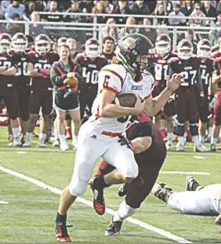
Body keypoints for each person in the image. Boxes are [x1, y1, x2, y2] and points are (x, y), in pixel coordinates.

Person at [54, 33, 182, 242]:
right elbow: (105, 109)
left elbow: (150, 110)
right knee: (77, 186)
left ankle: (99, 184)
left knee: (131, 172)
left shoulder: (146, 78)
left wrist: (168, 90)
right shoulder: (113, 72)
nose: (145, 60)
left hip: (115, 136)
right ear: (128, 55)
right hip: (94, 134)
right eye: (141, 56)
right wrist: (132, 110)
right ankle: (60, 219)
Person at [23, 34, 59, 147]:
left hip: (49, 89)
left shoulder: (54, 57)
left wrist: (41, 72)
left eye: (44, 44)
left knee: (46, 115)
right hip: (35, 89)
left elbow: (56, 71)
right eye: (40, 44)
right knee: (32, 115)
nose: (42, 47)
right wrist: (44, 72)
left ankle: (42, 139)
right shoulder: (31, 56)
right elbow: (30, 72)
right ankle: (28, 138)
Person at [170, 39, 206, 152]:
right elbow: (170, 79)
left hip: (191, 91)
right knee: (180, 118)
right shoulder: (174, 62)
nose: (185, 53)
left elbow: (198, 78)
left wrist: (201, 92)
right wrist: (170, 93)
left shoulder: (195, 61)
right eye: (183, 50)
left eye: (187, 50)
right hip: (179, 92)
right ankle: (180, 143)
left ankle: (197, 143)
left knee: (193, 118)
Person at [50, 45, 82, 151]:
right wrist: (65, 77)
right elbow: (54, 80)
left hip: (72, 94)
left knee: (76, 119)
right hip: (60, 94)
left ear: (69, 53)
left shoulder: (75, 65)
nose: (64, 53)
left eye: (66, 51)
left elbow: (81, 79)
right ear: (58, 52)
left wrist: (75, 77)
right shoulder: (55, 66)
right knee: (60, 118)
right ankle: (62, 141)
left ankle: (76, 140)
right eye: (62, 51)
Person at [151, 34, 177, 150]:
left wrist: (173, 92)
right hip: (156, 88)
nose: (162, 47)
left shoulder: (173, 59)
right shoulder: (153, 58)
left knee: (169, 116)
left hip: (167, 88)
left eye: (164, 45)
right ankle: (157, 138)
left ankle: (170, 140)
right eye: (160, 45)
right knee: (155, 115)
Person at [75, 38, 108, 121]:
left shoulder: (102, 60)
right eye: (91, 48)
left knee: (95, 114)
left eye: (95, 49)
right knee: (79, 114)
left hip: (95, 90)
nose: (93, 51)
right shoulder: (80, 59)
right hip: (82, 90)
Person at [9, 33, 31, 145]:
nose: (20, 45)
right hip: (13, 86)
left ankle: (24, 135)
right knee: (12, 112)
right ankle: (12, 136)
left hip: (25, 86)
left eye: (22, 43)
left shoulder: (29, 56)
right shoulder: (11, 56)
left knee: (25, 113)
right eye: (18, 43)